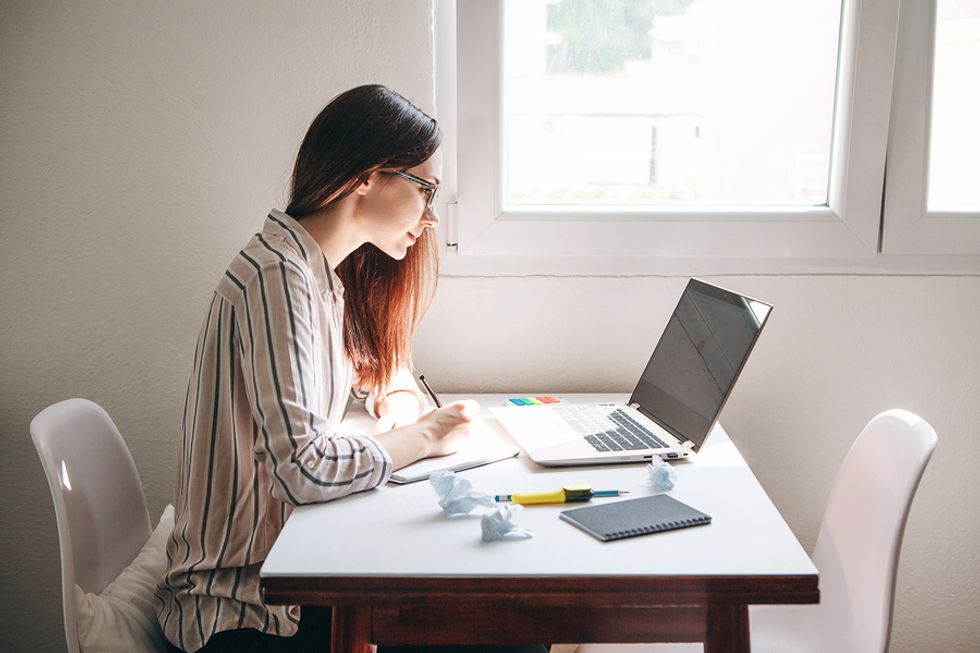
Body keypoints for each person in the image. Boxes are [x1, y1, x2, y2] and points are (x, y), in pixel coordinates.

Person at [154, 85, 506, 653]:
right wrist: (425, 435)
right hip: (240, 612)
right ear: (367, 176)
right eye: (426, 189)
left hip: (285, 578)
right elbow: (305, 469)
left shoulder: (317, 277)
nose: (431, 218)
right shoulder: (276, 278)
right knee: (506, 636)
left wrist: (398, 401)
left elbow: (381, 374)